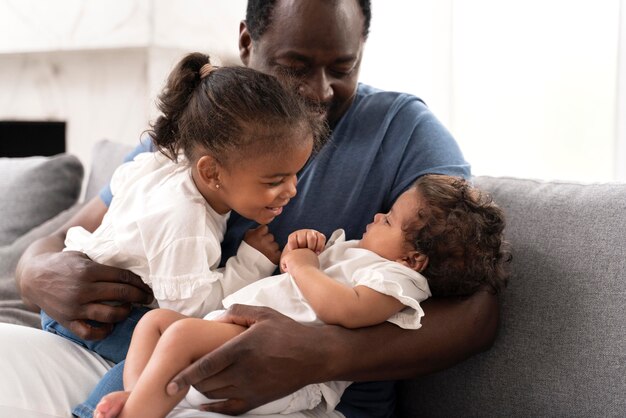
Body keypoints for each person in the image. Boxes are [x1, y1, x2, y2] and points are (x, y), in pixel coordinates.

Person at [5, 1, 500, 417]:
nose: (320, 90)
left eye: (343, 68)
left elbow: (477, 308)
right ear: (247, 43)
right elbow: (70, 234)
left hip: (295, 398)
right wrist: (36, 271)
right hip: (136, 355)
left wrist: (322, 354)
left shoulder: (403, 130)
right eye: (295, 66)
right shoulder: (215, 119)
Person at [93, 174, 510, 418]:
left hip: (284, 368)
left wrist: (306, 267)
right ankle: (140, 398)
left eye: (388, 219)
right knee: (155, 322)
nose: (376, 217)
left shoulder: (399, 284)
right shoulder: (363, 255)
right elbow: (304, 271)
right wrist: (302, 247)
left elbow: (342, 310)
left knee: (179, 337)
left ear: (415, 259)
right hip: (239, 329)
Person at [38, 52, 323, 369]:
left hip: (83, 307)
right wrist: (251, 263)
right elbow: (191, 315)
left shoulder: (173, 164)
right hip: (92, 316)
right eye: (275, 180)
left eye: (295, 174)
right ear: (212, 173)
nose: (292, 190)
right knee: (176, 354)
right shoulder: (184, 220)